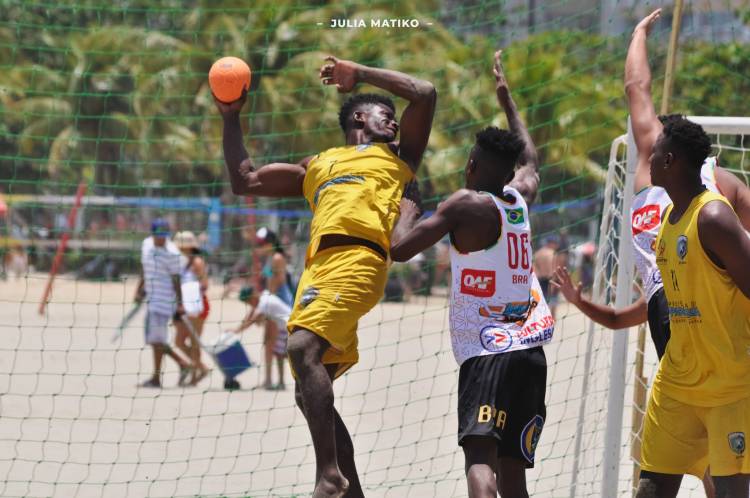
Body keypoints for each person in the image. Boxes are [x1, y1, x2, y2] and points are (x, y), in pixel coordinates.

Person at [215, 54, 435, 497]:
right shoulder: (318, 163)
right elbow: (246, 181)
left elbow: (425, 93)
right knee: (306, 388)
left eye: (393, 117)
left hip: (361, 260)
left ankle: (328, 475)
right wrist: (230, 117)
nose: (393, 122)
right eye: (384, 114)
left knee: (300, 347)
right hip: (317, 271)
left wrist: (362, 72)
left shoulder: (398, 156)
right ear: (359, 117)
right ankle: (349, 488)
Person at [390, 50, 552, 498]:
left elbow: (400, 249)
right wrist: (508, 101)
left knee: (480, 465)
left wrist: (407, 207)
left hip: (488, 352)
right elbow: (531, 160)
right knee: (513, 473)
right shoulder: (517, 198)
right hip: (532, 354)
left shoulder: (465, 203)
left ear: (472, 166)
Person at [551, 8, 750, 361]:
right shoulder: (717, 182)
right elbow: (616, 319)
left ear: (669, 152)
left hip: (711, 305)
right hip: (673, 303)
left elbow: (637, 89)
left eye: (657, 142)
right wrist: (639, 33)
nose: (650, 145)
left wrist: (638, 35)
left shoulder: (716, 185)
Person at [632, 113, 750, 498]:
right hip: (677, 383)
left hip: (727, 386)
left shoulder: (714, 216)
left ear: (671, 161)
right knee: (650, 488)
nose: (648, 157)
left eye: (655, 151)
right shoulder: (668, 218)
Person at [135, 219, 192, 388]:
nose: (161, 239)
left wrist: (180, 303)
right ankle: (173, 368)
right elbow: (144, 269)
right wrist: (139, 289)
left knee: (155, 340)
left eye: (163, 236)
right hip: (151, 297)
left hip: (164, 300)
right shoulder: (146, 245)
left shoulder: (173, 253)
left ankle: (175, 367)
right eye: (158, 236)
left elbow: (176, 279)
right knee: (155, 340)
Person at [235, 285, 291, 390]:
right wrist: (238, 328)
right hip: (282, 327)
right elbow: (251, 314)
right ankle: (275, 381)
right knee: (279, 354)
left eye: (248, 301)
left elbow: (252, 321)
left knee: (285, 355)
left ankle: (276, 382)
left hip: (288, 328)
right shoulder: (263, 297)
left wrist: (236, 331)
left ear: (253, 296)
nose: (249, 304)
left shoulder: (264, 303)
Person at [173, 231, 210, 386]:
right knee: (179, 341)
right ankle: (200, 367)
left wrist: (189, 295)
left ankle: (196, 374)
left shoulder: (197, 262)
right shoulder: (182, 262)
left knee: (194, 341)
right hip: (185, 306)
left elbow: (205, 285)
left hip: (197, 305)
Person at [533, 236, 559, 317]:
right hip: (550, 279)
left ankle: (542, 318)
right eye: (555, 243)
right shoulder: (552, 253)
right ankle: (552, 319)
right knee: (553, 301)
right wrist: (554, 281)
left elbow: (534, 268)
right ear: (551, 243)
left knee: (541, 301)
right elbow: (554, 269)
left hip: (540, 279)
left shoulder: (538, 253)